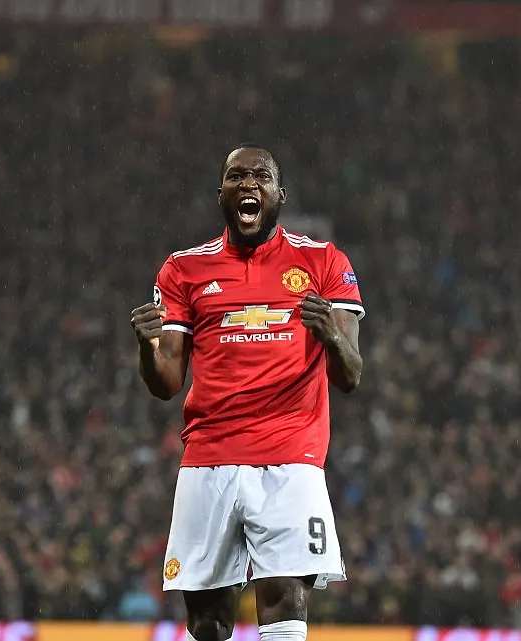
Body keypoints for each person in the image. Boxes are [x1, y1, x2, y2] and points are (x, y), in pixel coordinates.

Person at [130, 143, 365, 641]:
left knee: (285, 599)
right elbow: (166, 383)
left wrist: (331, 335)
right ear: (221, 194)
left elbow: (351, 375)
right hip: (209, 457)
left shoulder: (323, 261)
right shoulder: (183, 269)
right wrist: (147, 350)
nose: (249, 183)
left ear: (281, 194)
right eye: (237, 176)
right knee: (208, 621)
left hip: (290, 456)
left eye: (261, 176)